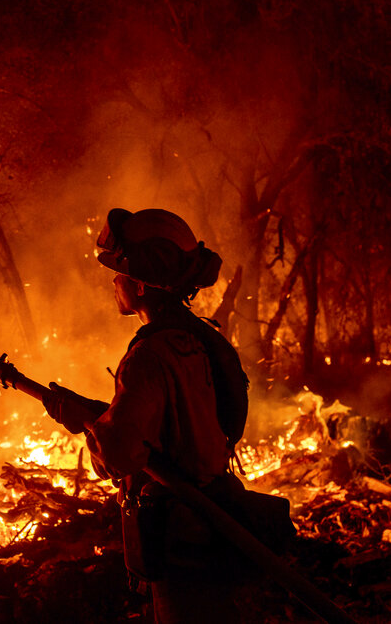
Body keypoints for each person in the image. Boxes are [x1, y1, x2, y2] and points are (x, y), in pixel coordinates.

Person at [43, 208, 265, 623]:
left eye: (118, 274)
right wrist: (103, 414)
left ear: (141, 283)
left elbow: (121, 456)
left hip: (179, 543)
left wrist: (85, 423)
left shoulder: (147, 357)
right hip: (213, 528)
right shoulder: (201, 341)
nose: (113, 283)